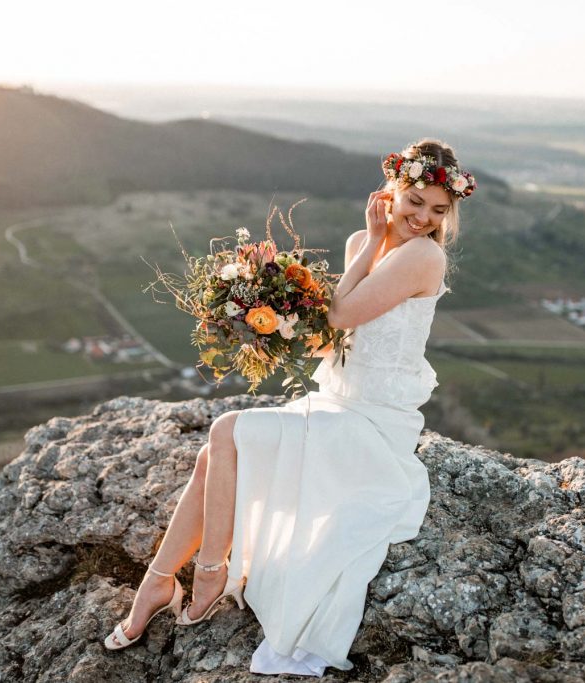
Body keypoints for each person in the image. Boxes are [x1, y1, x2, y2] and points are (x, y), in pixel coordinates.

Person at [103, 138, 476, 676]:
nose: (423, 218)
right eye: (415, 202)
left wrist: (371, 245)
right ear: (390, 192)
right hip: (337, 403)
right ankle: (160, 581)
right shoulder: (361, 243)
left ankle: (208, 572)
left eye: (439, 210)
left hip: (374, 425)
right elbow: (332, 342)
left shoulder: (424, 255)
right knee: (215, 456)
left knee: (228, 428)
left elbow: (342, 314)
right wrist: (275, 326)